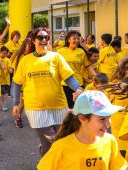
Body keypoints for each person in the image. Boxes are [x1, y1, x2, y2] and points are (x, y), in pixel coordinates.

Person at [12, 28, 84, 156]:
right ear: (33, 41)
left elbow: (68, 78)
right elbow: (17, 84)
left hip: (59, 106)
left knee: (61, 140)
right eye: (40, 38)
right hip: (36, 108)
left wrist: (78, 89)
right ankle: (48, 169)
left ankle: (50, 159)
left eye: (46, 38)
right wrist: (16, 103)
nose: (44, 40)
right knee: (49, 143)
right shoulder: (26, 60)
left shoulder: (56, 57)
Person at [58, 30, 96, 108]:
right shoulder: (60, 52)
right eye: (74, 38)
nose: (76, 40)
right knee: (68, 107)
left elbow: (88, 65)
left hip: (78, 84)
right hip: (64, 84)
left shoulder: (81, 51)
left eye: (78, 38)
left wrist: (96, 76)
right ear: (68, 40)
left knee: (79, 107)